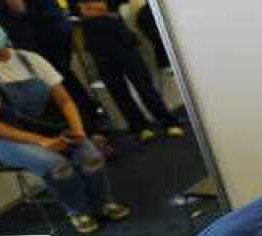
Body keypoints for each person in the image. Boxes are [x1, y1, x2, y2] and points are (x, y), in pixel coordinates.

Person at [0, 3, 130, 234]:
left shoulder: (30, 59)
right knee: (56, 164)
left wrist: (77, 130)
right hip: (8, 139)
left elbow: (65, 101)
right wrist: (41, 142)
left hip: (48, 127)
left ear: (0, 24)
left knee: (91, 155)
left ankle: (102, 203)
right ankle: (78, 211)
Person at [73, 0, 183, 143]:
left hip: (119, 37)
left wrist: (91, 8)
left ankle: (168, 122)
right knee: (117, 89)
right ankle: (140, 128)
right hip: (96, 43)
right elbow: (79, 12)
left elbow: (111, 6)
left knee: (143, 83)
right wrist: (99, 10)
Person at [0, 0, 104, 131]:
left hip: (46, 37)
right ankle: (87, 120)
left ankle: (88, 124)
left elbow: (21, 9)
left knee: (61, 80)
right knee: (61, 81)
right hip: (40, 37)